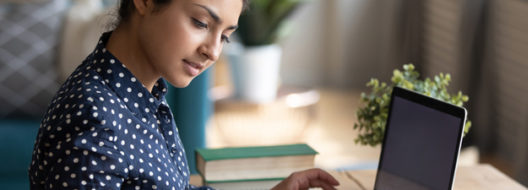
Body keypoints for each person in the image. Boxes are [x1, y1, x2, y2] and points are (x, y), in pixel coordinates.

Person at [28, 0, 339, 189]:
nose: (213, 51)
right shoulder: (93, 117)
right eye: (201, 23)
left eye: (225, 38)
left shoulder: (143, 95)